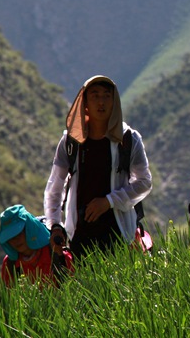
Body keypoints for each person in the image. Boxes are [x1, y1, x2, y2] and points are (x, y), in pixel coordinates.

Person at [44, 75, 152, 257]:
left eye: (106, 96)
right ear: (85, 103)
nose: (101, 102)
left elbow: (144, 182)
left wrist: (108, 202)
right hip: (80, 236)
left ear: (114, 101)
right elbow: (55, 188)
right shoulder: (70, 142)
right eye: (94, 96)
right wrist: (55, 224)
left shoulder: (128, 139)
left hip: (120, 234)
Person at [0, 204, 74, 288]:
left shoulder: (55, 252)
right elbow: (9, 296)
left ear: (30, 229)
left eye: (19, 233)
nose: (15, 240)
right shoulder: (10, 264)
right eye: (10, 237)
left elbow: (74, 287)